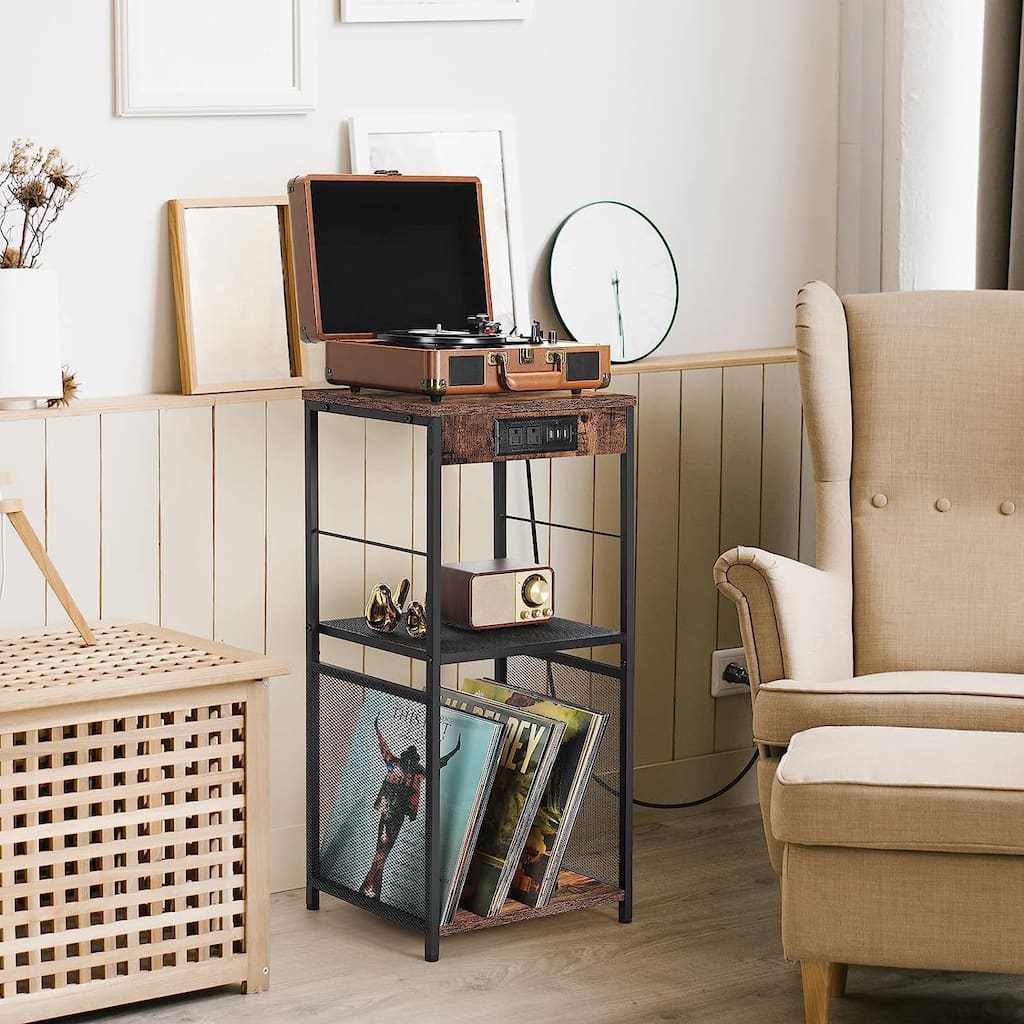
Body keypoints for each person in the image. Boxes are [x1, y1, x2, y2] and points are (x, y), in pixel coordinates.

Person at [359, 716, 460, 900]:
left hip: (393, 815)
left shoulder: (406, 768)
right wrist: (377, 729)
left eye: (414, 759)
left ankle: (370, 888)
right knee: (382, 851)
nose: (413, 762)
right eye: (412, 758)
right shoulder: (401, 766)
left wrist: (453, 752)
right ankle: (371, 889)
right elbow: (384, 747)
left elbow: (437, 764)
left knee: (382, 850)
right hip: (390, 814)